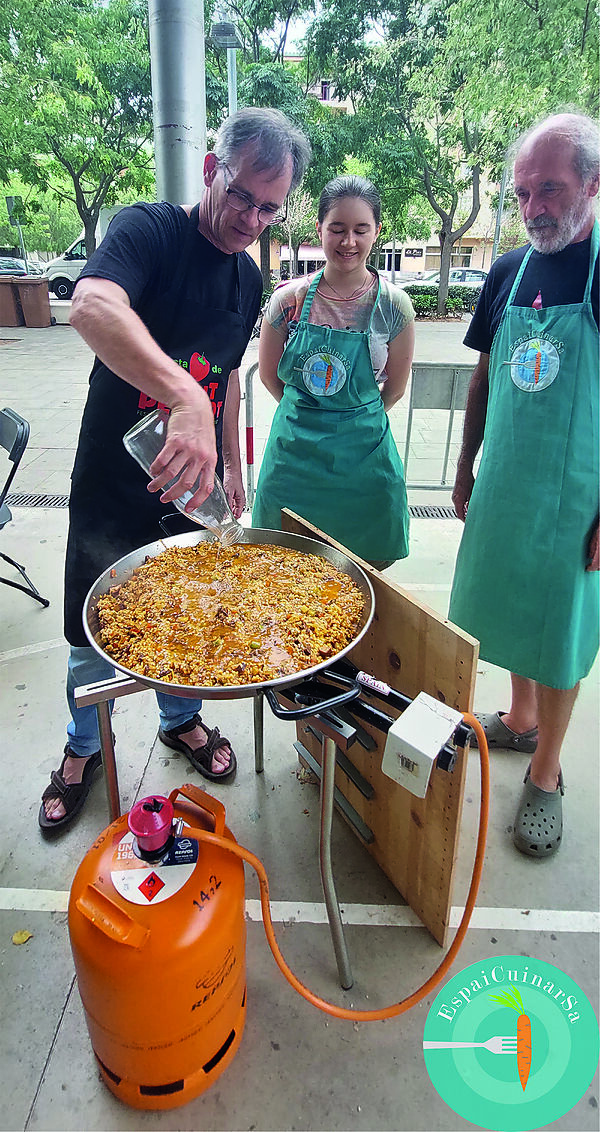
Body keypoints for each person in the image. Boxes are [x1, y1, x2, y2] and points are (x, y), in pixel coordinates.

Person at [39, 107, 312, 833]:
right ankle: (81, 747)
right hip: (111, 480)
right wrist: (181, 393)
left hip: (190, 492)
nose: (252, 218)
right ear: (208, 170)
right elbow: (91, 305)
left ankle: (180, 720)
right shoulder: (150, 231)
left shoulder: (248, 281)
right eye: (242, 195)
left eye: (269, 206)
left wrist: (229, 462)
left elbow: (222, 376)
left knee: (191, 620)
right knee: (88, 628)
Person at [448, 111, 599, 858]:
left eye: (551, 188)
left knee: (561, 630)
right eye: (524, 192)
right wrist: (465, 461)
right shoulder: (508, 269)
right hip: (506, 483)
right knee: (507, 607)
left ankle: (546, 773)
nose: (535, 206)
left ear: (592, 184)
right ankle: (520, 717)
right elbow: (483, 376)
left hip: (578, 496)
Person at [252, 175, 415, 568]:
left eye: (361, 230)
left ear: (376, 231)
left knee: (363, 582)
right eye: (337, 229)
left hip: (364, 466)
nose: (348, 242)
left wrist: (351, 418)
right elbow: (269, 375)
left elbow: (394, 389)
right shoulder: (287, 301)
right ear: (319, 229)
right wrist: (306, 416)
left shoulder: (394, 306)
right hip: (293, 463)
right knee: (281, 576)